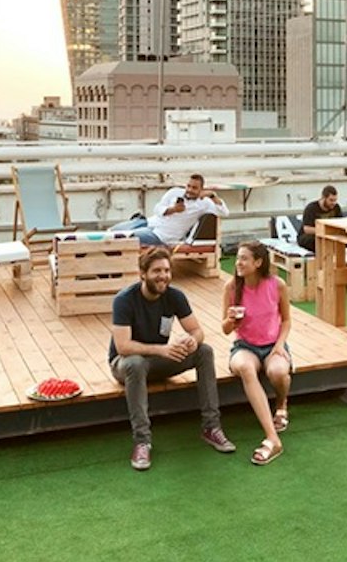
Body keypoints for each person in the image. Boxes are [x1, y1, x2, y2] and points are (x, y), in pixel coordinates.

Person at [108, 247, 235, 470]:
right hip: (125, 364)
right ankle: (142, 441)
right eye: (157, 270)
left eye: (167, 270)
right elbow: (123, 346)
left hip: (158, 361)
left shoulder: (174, 295)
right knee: (136, 363)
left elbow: (197, 330)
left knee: (204, 351)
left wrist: (192, 341)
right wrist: (162, 350)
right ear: (142, 273)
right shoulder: (124, 300)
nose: (163, 276)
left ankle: (211, 427)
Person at [222, 241, 293, 465]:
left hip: (273, 344)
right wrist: (231, 320)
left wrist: (280, 346)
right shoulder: (232, 287)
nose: (238, 263)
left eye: (244, 258)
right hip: (246, 346)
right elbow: (225, 330)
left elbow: (287, 320)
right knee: (245, 367)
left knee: (278, 372)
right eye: (238, 258)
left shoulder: (277, 285)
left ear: (258, 262)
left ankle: (281, 405)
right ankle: (273, 437)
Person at [110, 173, 228, 249]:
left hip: (162, 235)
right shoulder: (175, 192)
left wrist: (213, 195)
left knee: (123, 237)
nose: (190, 190)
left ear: (201, 189)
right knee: (112, 231)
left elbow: (224, 212)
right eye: (188, 186)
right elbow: (157, 208)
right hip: (150, 222)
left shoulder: (204, 203)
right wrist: (172, 210)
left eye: (194, 188)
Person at [298, 184, 347, 251]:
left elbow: (340, 223)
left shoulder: (336, 208)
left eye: (335, 200)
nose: (333, 203)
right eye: (331, 200)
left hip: (329, 235)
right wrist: (325, 232)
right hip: (311, 235)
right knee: (316, 241)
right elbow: (307, 229)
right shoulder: (311, 208)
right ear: (323, 198)